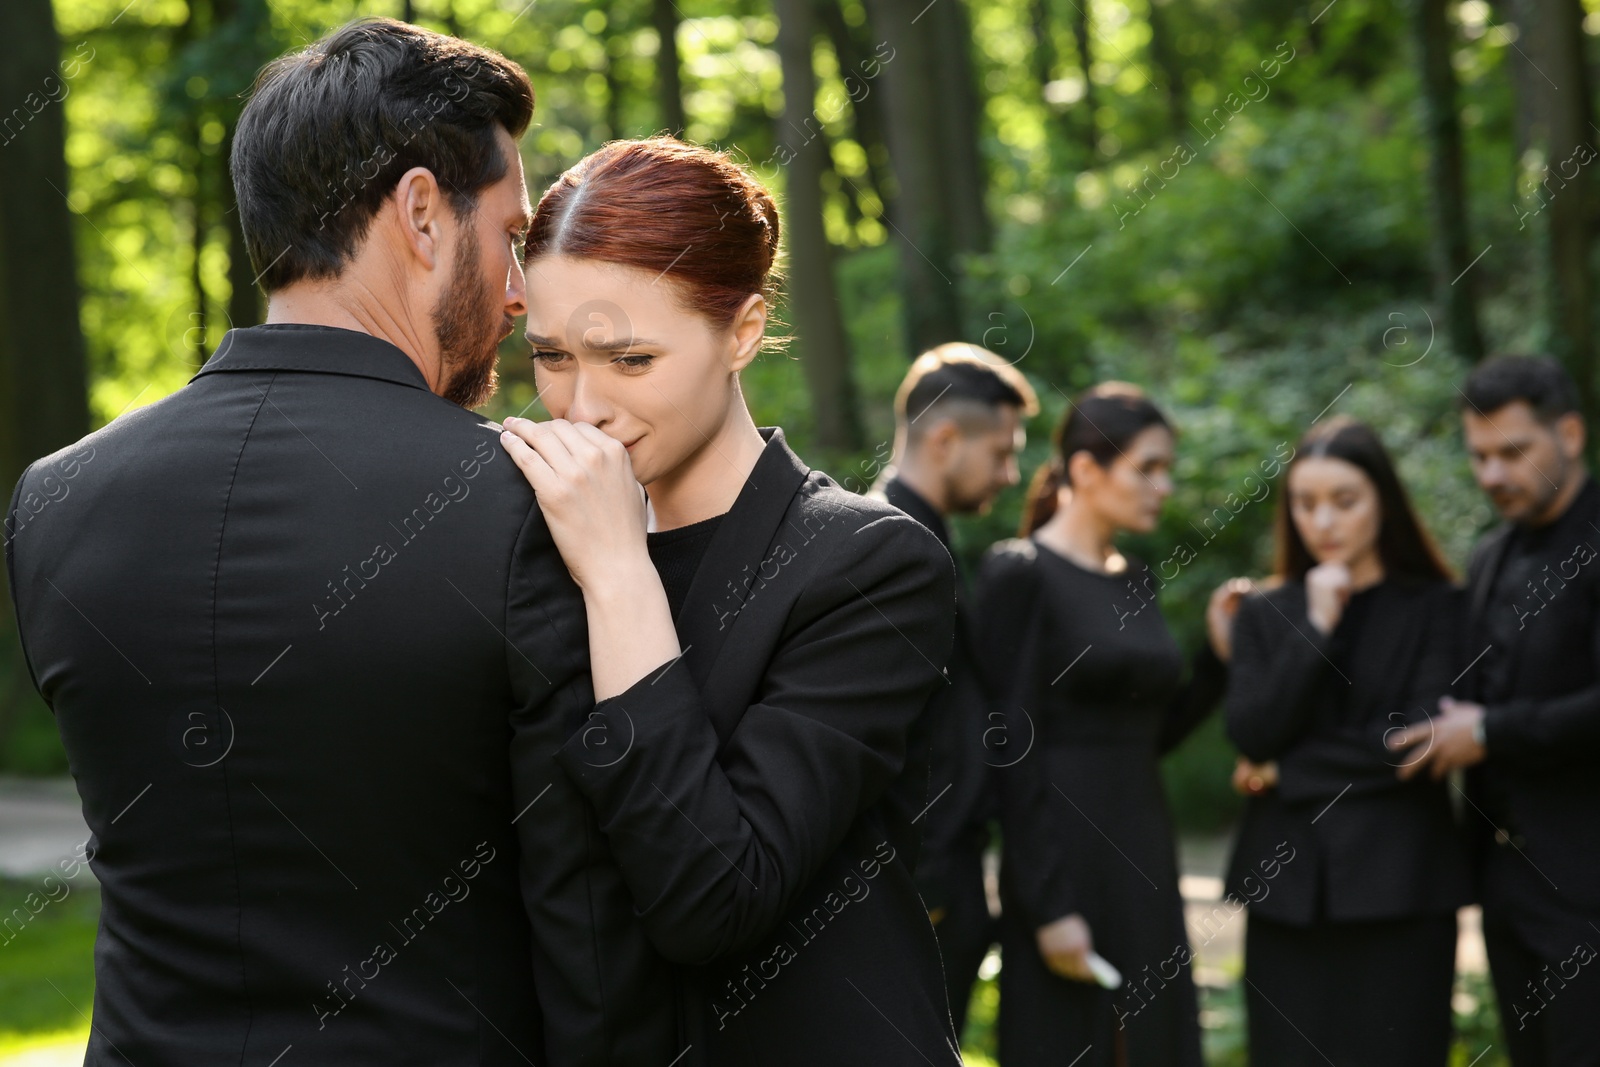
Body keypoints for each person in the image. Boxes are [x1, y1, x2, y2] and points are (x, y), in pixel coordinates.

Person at [4, 19, 672, 1066]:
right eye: (509, 235)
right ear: (417, 211)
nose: (516, 290)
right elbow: (589, 930)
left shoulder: (55, 499)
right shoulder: (528, 503)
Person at [498, 137, 961, 1067]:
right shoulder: (516, 541)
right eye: (550, 356)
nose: (580, 405)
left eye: (629, 360)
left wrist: (621, 575)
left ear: (742, 331)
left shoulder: (865, 564)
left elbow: (714, 896)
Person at [976, 382, 1233, 1067]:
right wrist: (1046, 902)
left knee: (1156, 1042)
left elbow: (1151, 735)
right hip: (1065, 850)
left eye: (1165, 468)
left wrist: (1214, 661)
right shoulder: (1020, 571)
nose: (1163, 484)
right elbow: (1009, 747)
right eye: (1146, 467)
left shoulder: (1137, 578)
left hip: (1143, 846)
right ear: (1087, 470)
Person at [1224, 416, 1470, 1067]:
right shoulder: (1265, 612)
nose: (1323, 520)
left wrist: (1284, 772)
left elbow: (1412, 744)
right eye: (1305, 503)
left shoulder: (1439, 606)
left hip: (1402, 889)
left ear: (1382, 502)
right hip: (1287, 894)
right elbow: (1250, 730)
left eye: (1344, 500)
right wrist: (1317, 627)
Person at [1389, 356, 1600, 1066]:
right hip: (1506, 883)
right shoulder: (1487, 555)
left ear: (1569, 433)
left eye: (1513, 452)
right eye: (1479, 455)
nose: (1491, 474)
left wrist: (1486, 731)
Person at [868, 342, 1037, 1036]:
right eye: (1002, 451)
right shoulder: (887, 544)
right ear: (943, 439)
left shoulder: (924, 535)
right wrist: (933, 879)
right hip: (917, 878)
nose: (1012, 471)